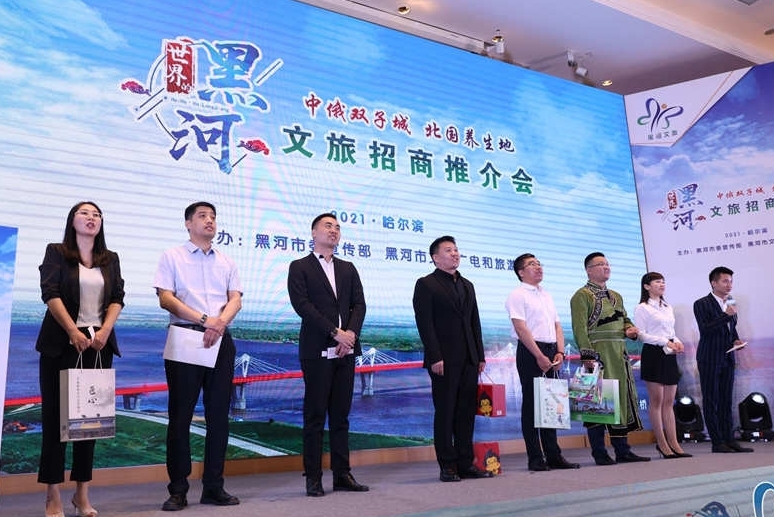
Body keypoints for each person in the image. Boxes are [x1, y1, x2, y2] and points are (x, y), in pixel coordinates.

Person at [36, 201, 125, 517]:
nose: (92, 218)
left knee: (91, 424)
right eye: (85, 213)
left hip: (98, 347)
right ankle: (52, 495)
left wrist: (105, 331)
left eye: (97, 214)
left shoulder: (110, 259)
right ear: (72, 220)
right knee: (56, 422)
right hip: (61, 346)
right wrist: (73, 331)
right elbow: (50, 293)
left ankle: (82, 494)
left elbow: (117, 298)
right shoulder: (56, 252)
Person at [154, 202, 243, 511]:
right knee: (180, 417)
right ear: (188, 223)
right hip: (185, 337)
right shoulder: (172, 256)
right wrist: (206, 320)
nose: (210, 221)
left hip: (220, 340)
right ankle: (178, 489)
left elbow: (235, 299)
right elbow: (166, 298)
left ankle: (214, 487)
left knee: (219, 417)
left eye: (213, 217)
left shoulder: (226, 261)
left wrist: (219, 324)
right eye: (202, 216)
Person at [287, 213, 369, 497]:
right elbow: (302, 306)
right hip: (317, 350)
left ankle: (342, 474)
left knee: (341, 416)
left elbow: (359, 305)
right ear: (313, 232)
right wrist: (335, 332)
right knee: (315, 415)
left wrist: (350, 335)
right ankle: (313, 477)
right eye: (327, 226)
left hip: (345, 351)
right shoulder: (300, 267)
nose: (334, 230)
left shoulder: (348, 268)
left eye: (337, 227)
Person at [412, 236, 492, 482]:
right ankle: (447, 465)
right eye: (448, 250)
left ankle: (466, 463)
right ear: (435, 257)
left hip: (469, 358)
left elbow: (474, 322)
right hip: (443, 360)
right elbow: (425, 324)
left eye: (456, 250)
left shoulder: (467, 285)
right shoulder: (426, 284)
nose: (455, 254)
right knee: (445, 412)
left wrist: (479, 355)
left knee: (466, 412)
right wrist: (435, 356)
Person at [570, 252, 650, 465]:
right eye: (600, 264)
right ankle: (599, 453)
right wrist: (587, 354)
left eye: (607, 264)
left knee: (621, 399)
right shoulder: (581, 295)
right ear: (588, 270)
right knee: (595, 404)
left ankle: (623, 450)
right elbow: (579, 327)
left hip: (618, 353)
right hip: (597, 353)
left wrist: (629, 328)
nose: (606, 267)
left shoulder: (616, 295)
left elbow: (625, 319)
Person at [505, 253, 580, 471]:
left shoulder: (546, 294)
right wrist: (538, 355)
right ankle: (535, 457)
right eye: (532, 264)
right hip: (531, 351)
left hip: (551, 350)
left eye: (539, 264)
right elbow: (521, 328)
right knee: (532, 405)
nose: (538, 267)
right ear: (521, 272)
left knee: (551, 404)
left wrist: (560, 352)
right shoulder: (517, 295)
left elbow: (557, 325)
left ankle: (554, 455)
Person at [693, 266, 753, 453]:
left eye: (731, 281)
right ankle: (717, 442)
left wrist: (736, 340)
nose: (729, 285)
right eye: (725, 281)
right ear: (714, 283)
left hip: (728, 356)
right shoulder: (701, 303)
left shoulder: (731, 302)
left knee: (726, 399)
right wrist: (725, 315)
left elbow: (731, 327)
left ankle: (729, 439)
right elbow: (705, 329)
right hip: (709, 357)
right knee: (711, 400)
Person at [633, 272, 692, 459]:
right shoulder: (642, 308)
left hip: (669, 353)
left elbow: (671, 331)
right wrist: (664, 341)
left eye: (663, 282)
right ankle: (662, 443)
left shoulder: (667, 306)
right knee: (657, 401)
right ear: (646, 286)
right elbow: (641, 335)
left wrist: (677, 342)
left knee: (669, 402)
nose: (662, 284)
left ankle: (674, 443)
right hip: (653, 353)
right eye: (657, 282)